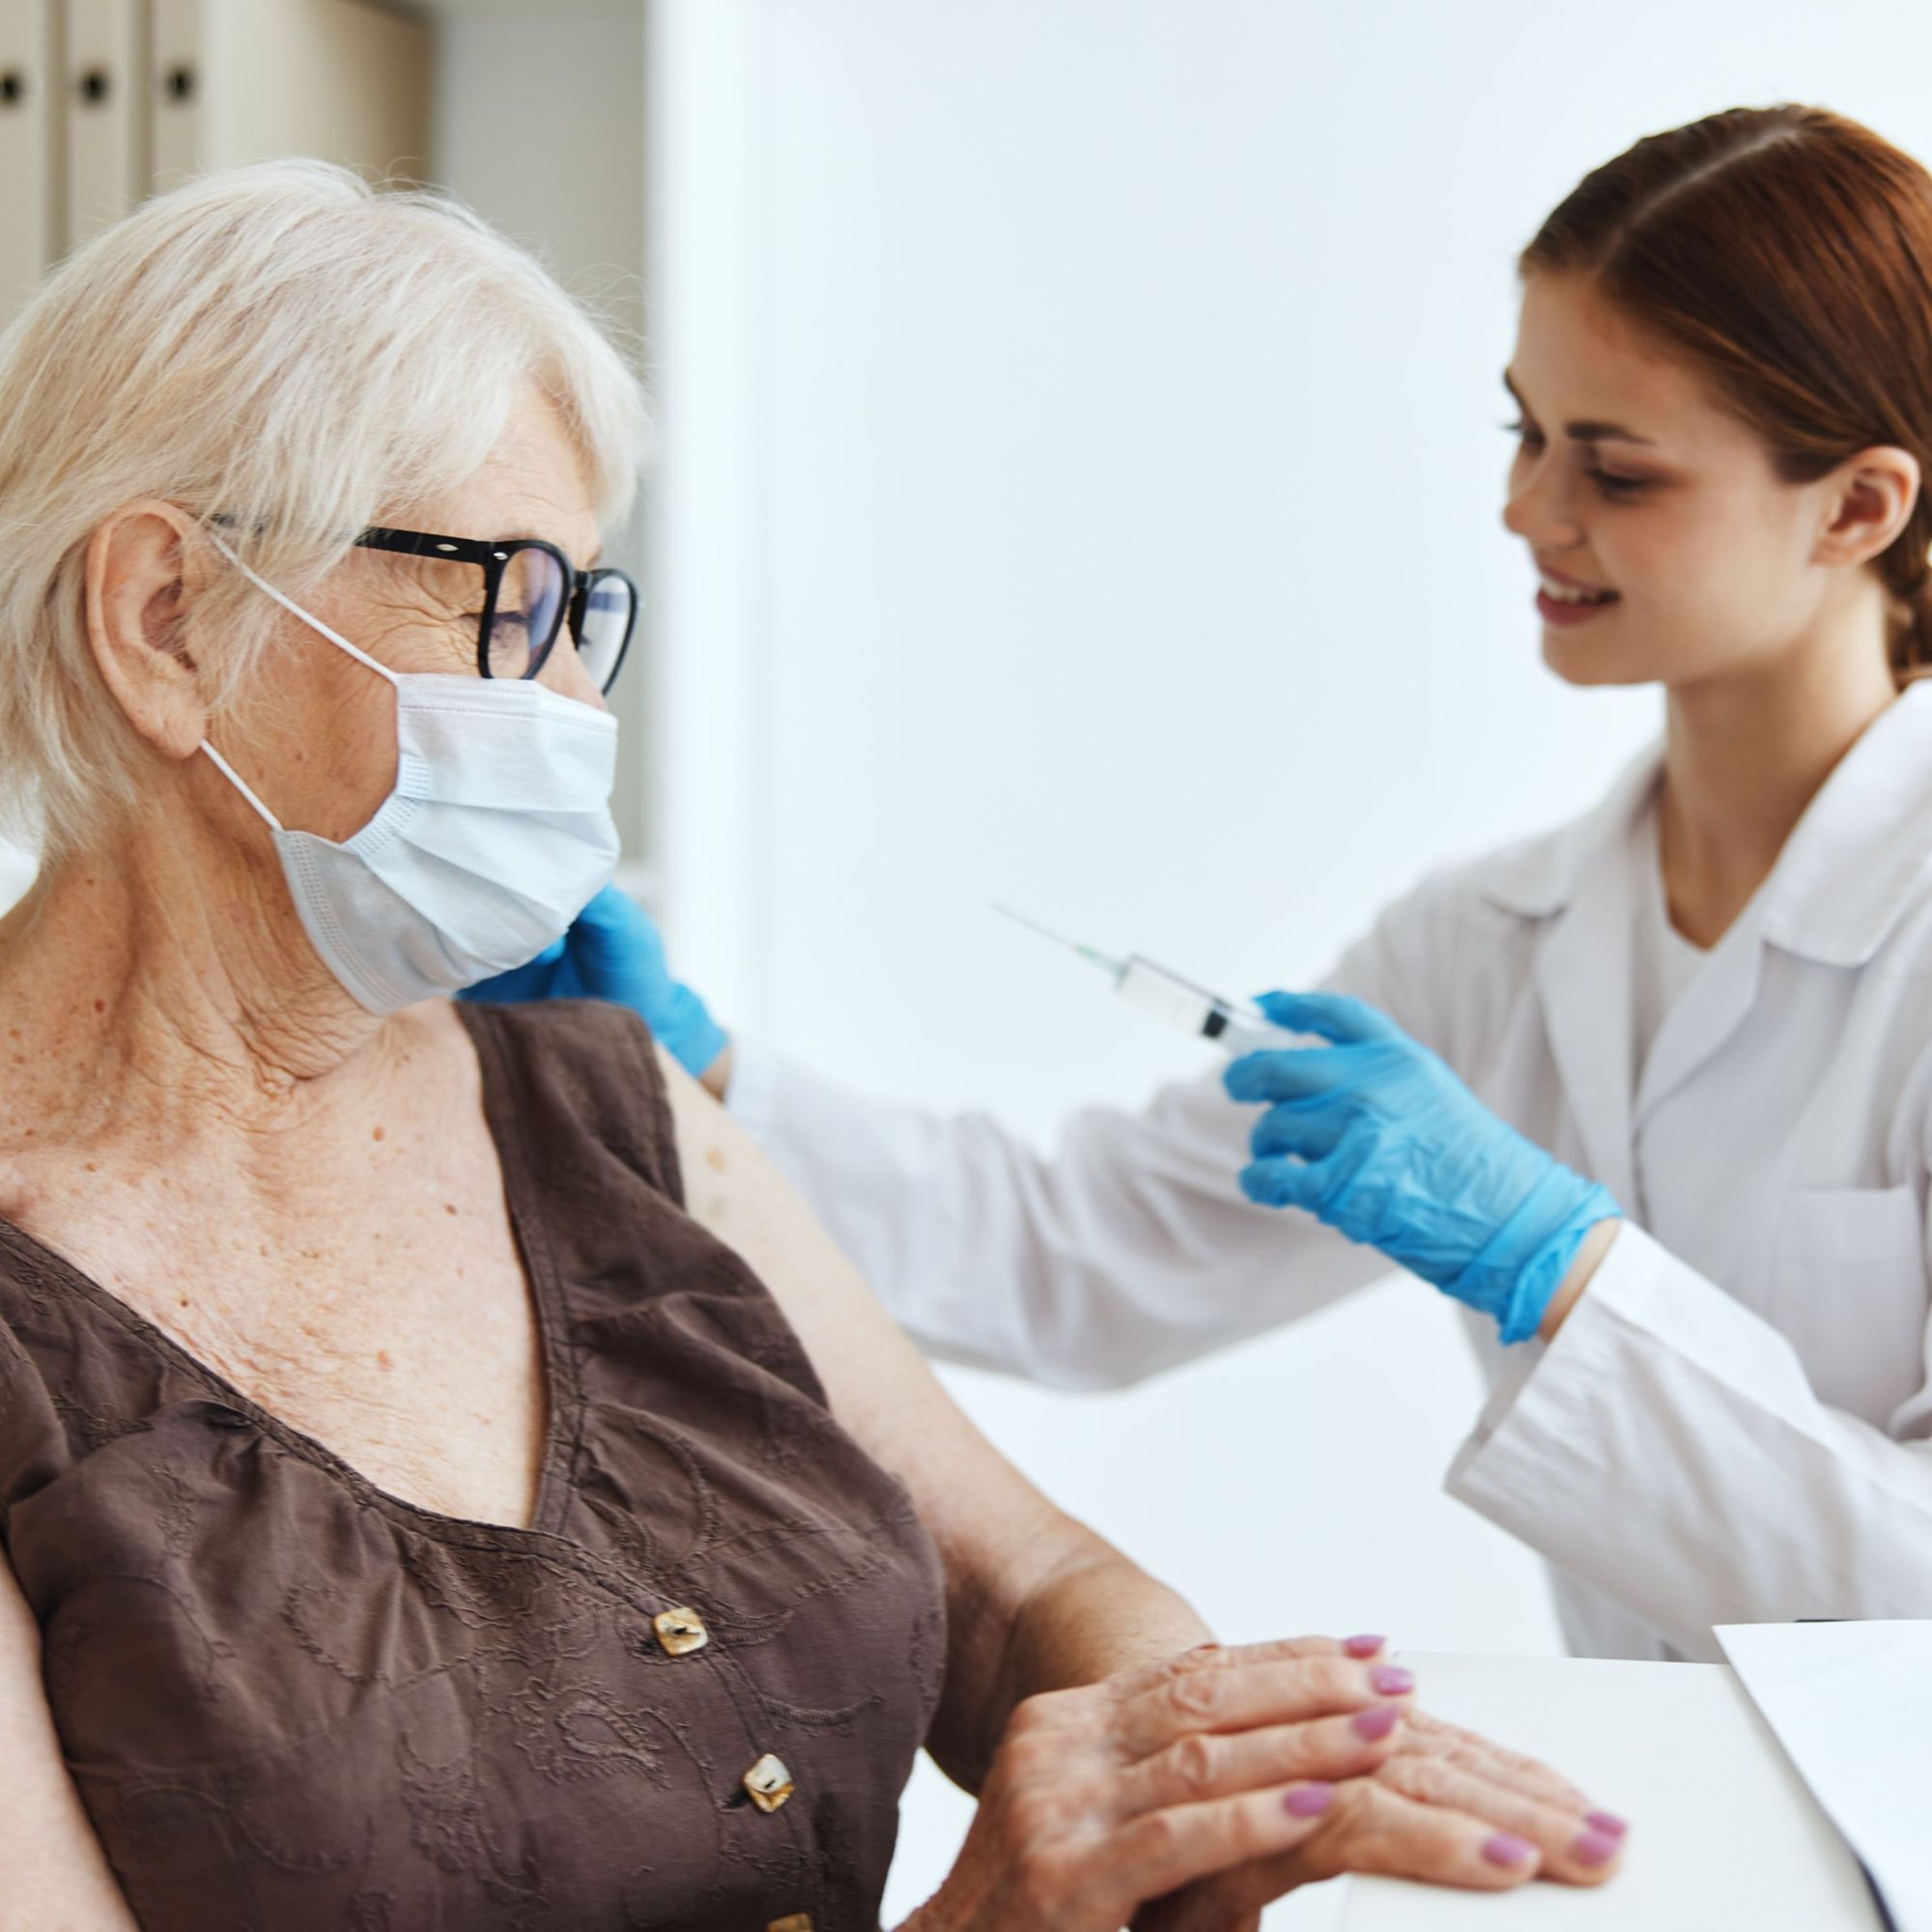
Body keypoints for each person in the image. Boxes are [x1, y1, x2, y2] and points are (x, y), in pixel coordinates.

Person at [0, 163, 1627, 1932]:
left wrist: (1186, 1771)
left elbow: (1028, 1591)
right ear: (165, 619)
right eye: (508, 606)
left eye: (586, 619)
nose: (570, 711)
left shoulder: (599, 1107)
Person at [494, 103, 1932, 1667]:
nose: (1528, 510)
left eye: (1619, 471)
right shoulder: (1494, 944)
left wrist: (1568, 1273)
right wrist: (696, 1072)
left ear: (1858, 509)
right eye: (1523, 431)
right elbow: (1069, 1257)